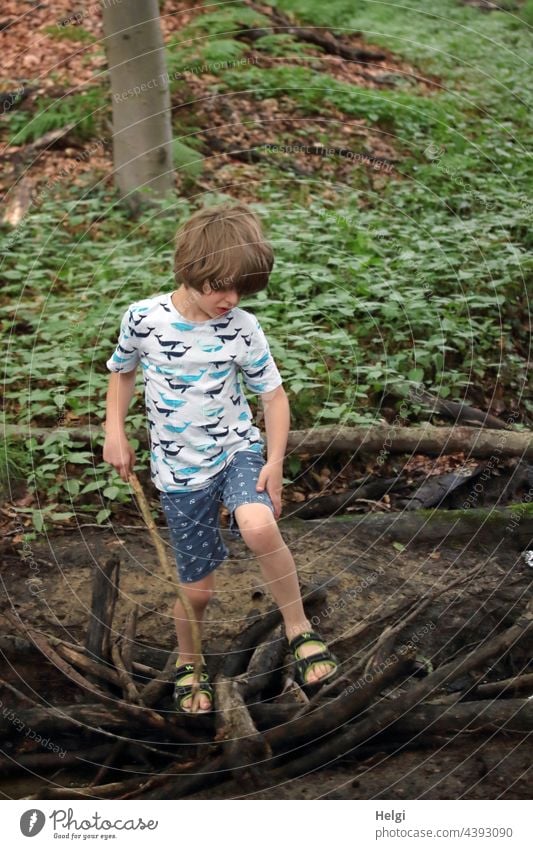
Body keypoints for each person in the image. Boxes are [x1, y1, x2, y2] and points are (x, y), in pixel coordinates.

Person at [103, 201, 338, 713]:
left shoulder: (243, 328)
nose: (230, 300)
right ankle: (191, 663)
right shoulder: (143, 320)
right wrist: (114, 432)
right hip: (178, 470)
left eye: (242, 290)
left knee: (257, 524)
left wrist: (273, 461)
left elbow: (273, 397)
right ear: (191, 271)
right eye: (221, 287)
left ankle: (298, 628)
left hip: (236, 449)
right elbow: (120, 373)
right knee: (200, 591)